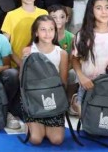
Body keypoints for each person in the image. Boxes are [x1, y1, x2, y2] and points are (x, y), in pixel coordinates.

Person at [20, 15, 69, 145]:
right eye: (43, 29)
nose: (48, 33)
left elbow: (63, 83)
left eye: (51, 29)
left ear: (55, 31)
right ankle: (31, 124)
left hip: (53, 100)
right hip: (34, 100)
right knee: (35, 139)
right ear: (36, 32)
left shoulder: (62, 53)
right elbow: (22, 81)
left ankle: (47, 127)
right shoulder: (28, 51)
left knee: (57, 140)